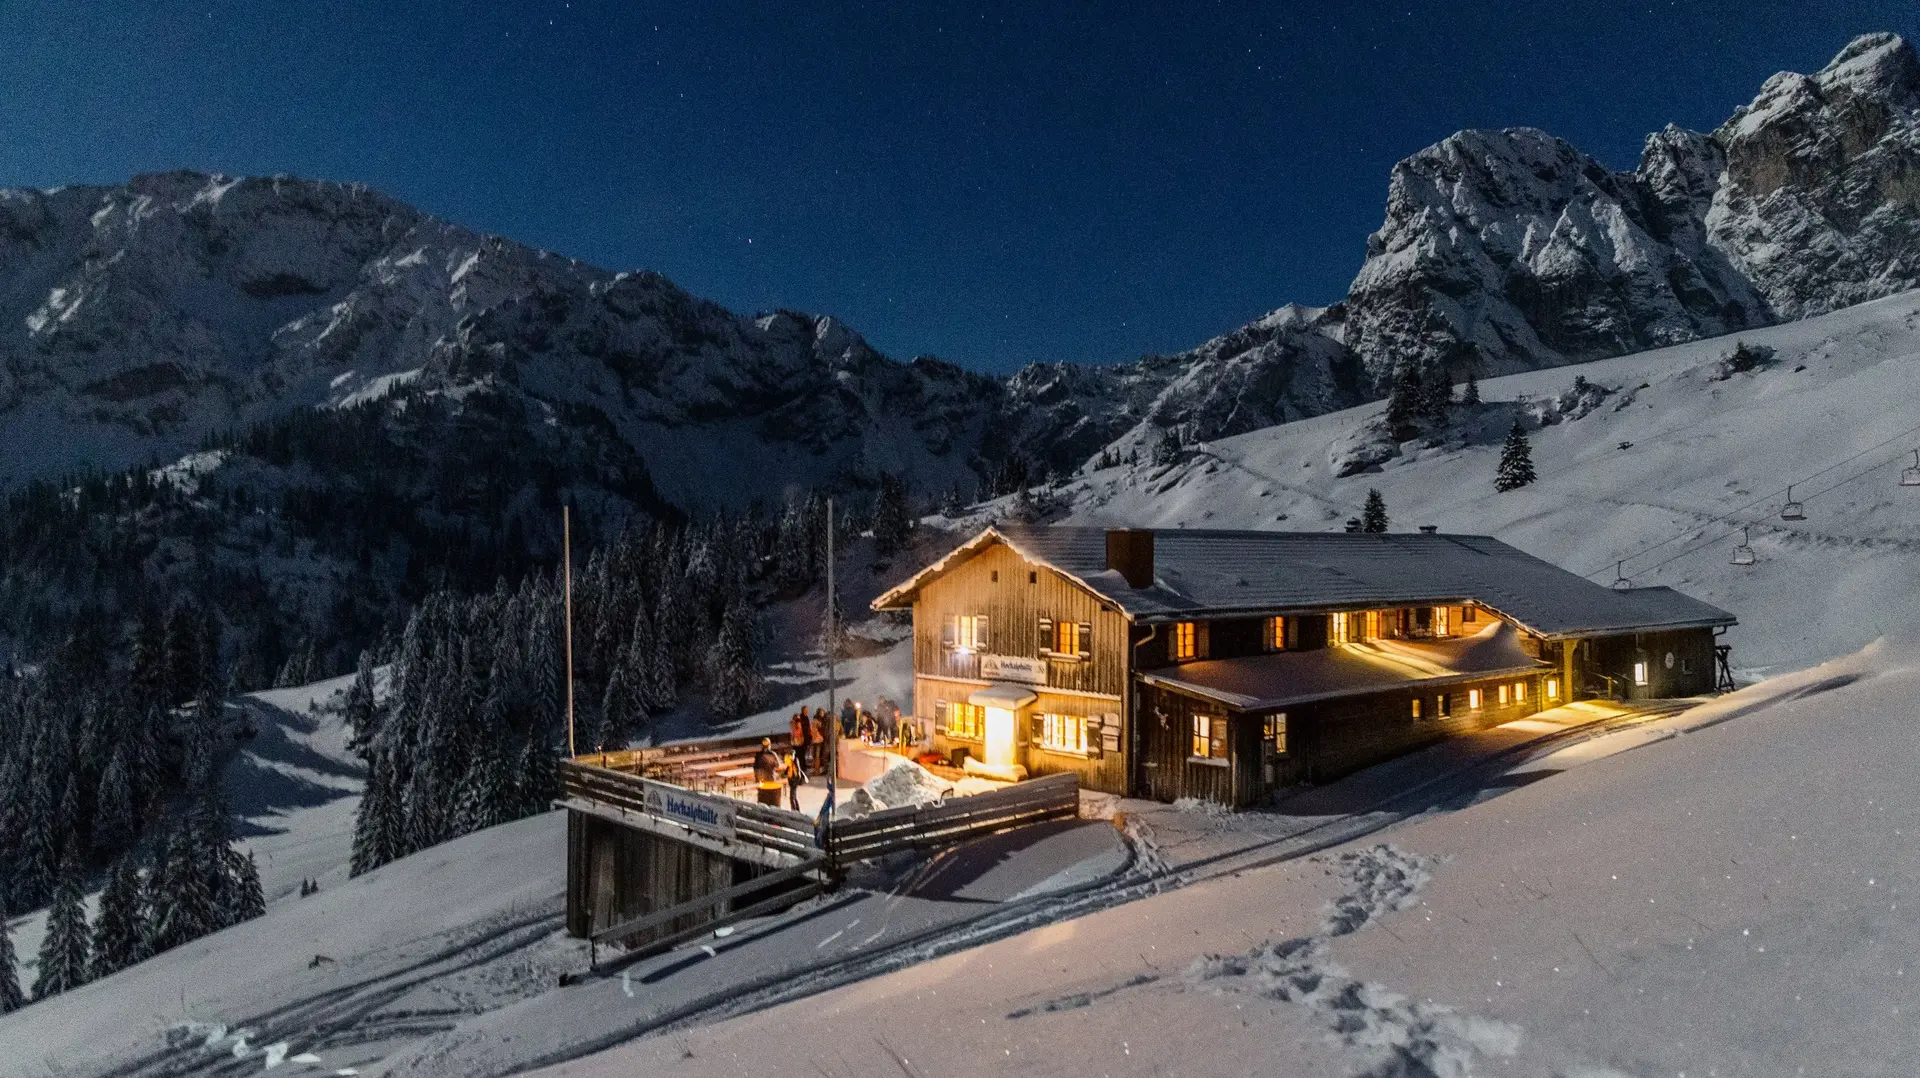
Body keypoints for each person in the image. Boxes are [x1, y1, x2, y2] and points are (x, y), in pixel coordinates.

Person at [752, 737, 782, 806]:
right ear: (769, 745)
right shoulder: (772, 754)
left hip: (761, 779)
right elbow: (778, 765)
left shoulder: (758, 755)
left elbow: (755, 767)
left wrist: (756, 778)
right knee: (771, 798)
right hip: (771, 778)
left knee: (762, 798)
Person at [781, 747, 808, 811]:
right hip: (791, 779)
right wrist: (784, 774)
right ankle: (797, 809)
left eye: (791, 755)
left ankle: (794, 809)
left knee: (792, 796)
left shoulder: (795, 761)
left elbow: (798, 770)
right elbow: (788, 768)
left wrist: (797, 781)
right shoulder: (790, 762)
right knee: (794, 796)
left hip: (794, 780)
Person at [809, 708, 830, 772]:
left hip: (816, 739)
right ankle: (817, 770)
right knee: (817, 755)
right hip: (819, 739)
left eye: (823, 713)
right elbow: (820, 729)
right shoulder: (818, 721)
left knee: (816, 755)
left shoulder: (816, 720)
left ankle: (816, 769)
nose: (822, 714)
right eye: (821, 713)